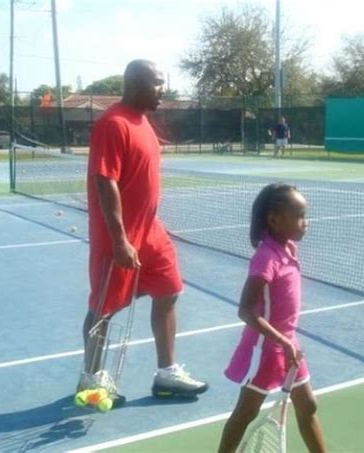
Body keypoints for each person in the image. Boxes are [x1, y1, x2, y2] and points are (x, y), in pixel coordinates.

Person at [78, 59, 208, 407]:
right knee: (103, 309)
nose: (162, 89)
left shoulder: (144, 123)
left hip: (151, 232)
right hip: (118, 236)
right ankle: (90, 377)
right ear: (135, 84)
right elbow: (105, 181)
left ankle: (166, 373)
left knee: (169, 290)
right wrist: (120, 240)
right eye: (156, 83)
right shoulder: (112, 123)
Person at [218, 183, 326, 453]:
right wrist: (281, 341)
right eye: (299, 216)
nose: (305, 223)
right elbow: (245, 310)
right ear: (274, 220)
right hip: (266, 349)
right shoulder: (266, 258)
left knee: (308, 406)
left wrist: (288, 342)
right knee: (245, 413)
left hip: (288, 344)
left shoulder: (288, 249)